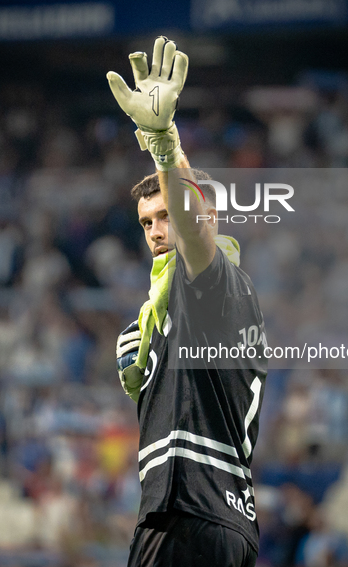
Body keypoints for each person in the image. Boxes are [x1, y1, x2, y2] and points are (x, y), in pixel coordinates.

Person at [108, 36, 267, 567]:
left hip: (189, 513)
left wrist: (163, 142)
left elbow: (194, 230)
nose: (157, 229)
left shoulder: (213, 280)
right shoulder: (169, 305)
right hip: (217, 519)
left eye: (165, 216)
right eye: (147, 222)